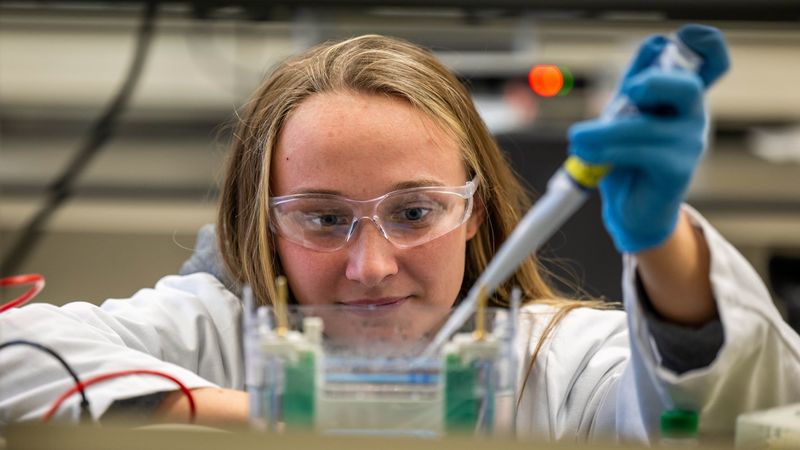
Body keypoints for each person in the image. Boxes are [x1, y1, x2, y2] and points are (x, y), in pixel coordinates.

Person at [2, 28, 799, 443]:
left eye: (415, 212)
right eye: (321, 217)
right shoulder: (208, 336)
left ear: (473, 212)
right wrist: (270, 418)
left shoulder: (552, 362)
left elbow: (745, 419)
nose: (371, 265)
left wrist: (664, 246)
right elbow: (18, 356)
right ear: (267, 223)